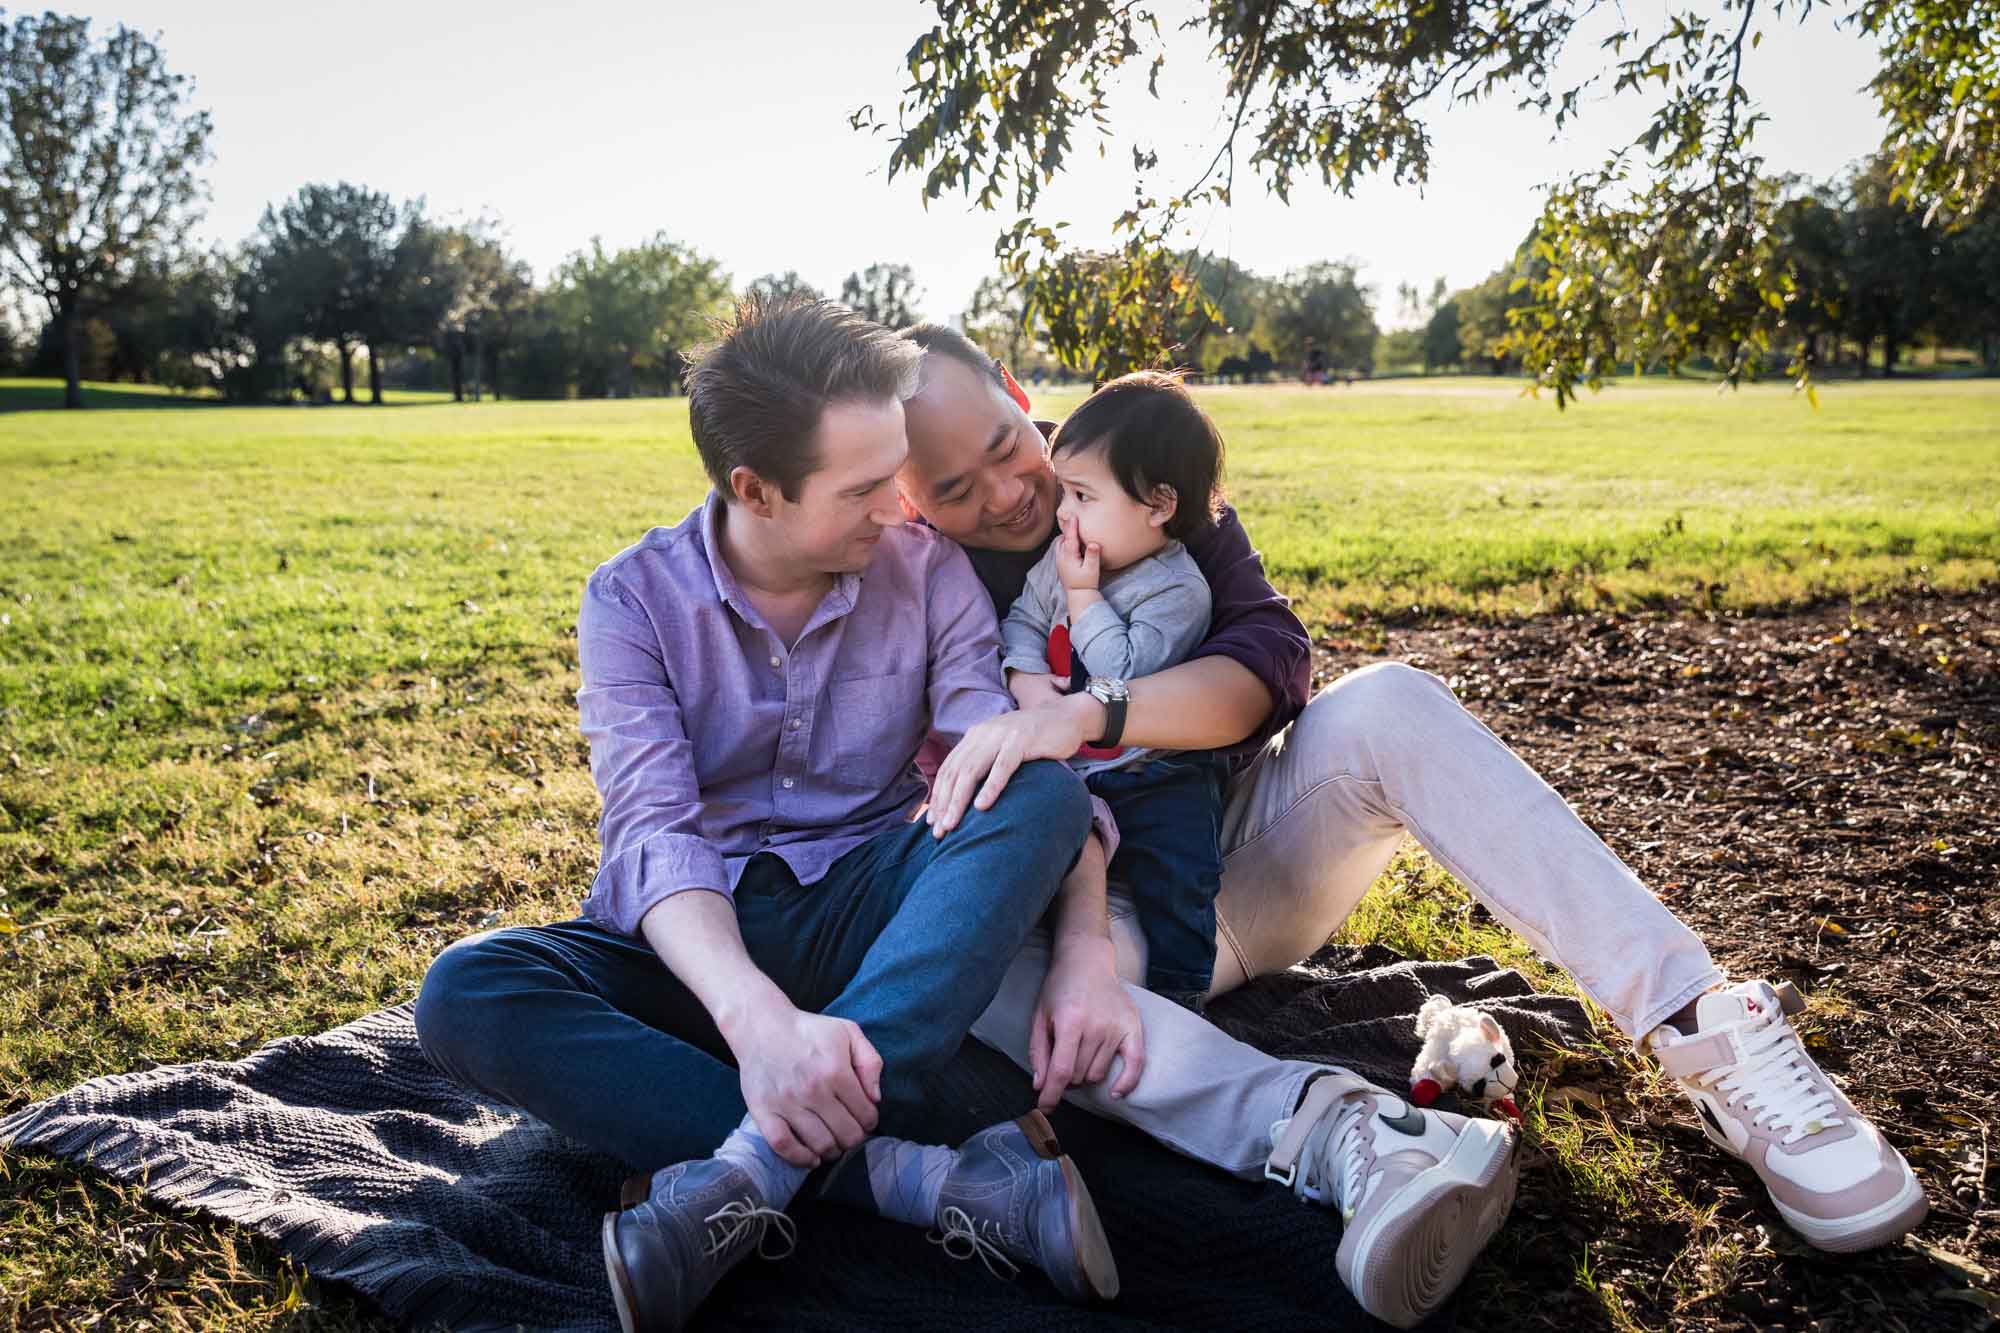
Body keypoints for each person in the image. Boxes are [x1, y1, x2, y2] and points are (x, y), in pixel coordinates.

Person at [895, 323, 1929, 1258]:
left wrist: (1091, 711)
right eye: (952, 488)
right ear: (904, 496)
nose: (1004, 493)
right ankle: (1350, 1139)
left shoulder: (1132, 466)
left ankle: (1700, 1024)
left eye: (1002, 445)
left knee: (1385, 701)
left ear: (1015, 388)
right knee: (966, 962)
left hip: (1235, 863)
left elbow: (1269, 665)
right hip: (1096, 954)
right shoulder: (915, 584)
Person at [414, 299, 1123, 1332]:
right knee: (467, 990)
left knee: (1038, 785)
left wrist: (1083, 926)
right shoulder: (632, 601)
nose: (900, 507)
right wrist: (756, 1024)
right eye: (865, 487)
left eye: (897, 473)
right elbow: (653, 831)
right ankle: (930, 1183)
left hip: (874, 918)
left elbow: (989, 752)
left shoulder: (928, 572)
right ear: (755, 489)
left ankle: (747, 1166)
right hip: (697, 945)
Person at [998, 372, 1233, 1008]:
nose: (1063, 512)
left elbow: (1119, 676)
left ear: (1158, 505)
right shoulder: (1062, 555)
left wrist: (1082, 596)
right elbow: (1021, 618)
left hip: (1155, 772)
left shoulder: (1177, 590)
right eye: (1063, 491)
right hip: (1078, 771)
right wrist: (1024, 681)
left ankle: (1185, 993)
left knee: (1180, 875)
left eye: (1081, 494)